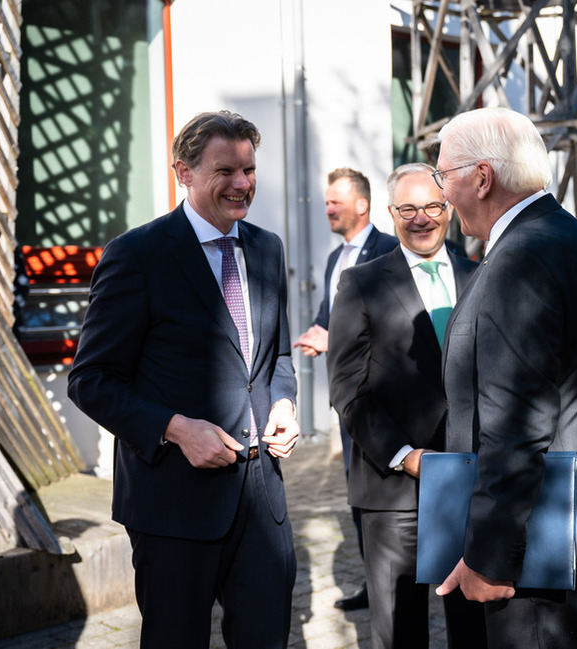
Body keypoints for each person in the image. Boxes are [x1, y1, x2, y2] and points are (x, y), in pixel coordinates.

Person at [67, 110, 300, 648]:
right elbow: (92, 380)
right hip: (172, 504)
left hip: (262, 501)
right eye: (226, 171)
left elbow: (276, 356)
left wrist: (284, 402)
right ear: (184, 172)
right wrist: (175, 428)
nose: (243, 184)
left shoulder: (267, 247)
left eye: (249, 169)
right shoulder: (137, 254)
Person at [433, 106, 577, 648]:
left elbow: (516, 426)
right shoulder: (564, 235)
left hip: (539, 547)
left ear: (481, 177)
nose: (441, 195)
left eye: (443, 176)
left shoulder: (521, 257)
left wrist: (490, 558)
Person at [327, 163, 481, 648]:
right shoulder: (361, 283)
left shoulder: (482, 275)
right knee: (401, 631)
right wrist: (405, 456)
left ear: (450, 210)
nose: (422, 218)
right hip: (394, 485)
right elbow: (347, 387)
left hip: (470, 481)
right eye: (408, 208)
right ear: (391, 212)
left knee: (475, 625)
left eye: (433, 206)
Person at [294, 167, 398, 610]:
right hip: (348, 401)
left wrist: (331, 337)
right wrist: (316, 333)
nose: (327, 209)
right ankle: (376, 585)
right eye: (326, 201)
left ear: (362, 204)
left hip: (387, 401)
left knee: (392, 499)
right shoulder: (337, 258)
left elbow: (391, 329)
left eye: (335, 201)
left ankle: (405, 582)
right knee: (358, 495)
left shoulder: (391, 252)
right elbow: (328, 317)